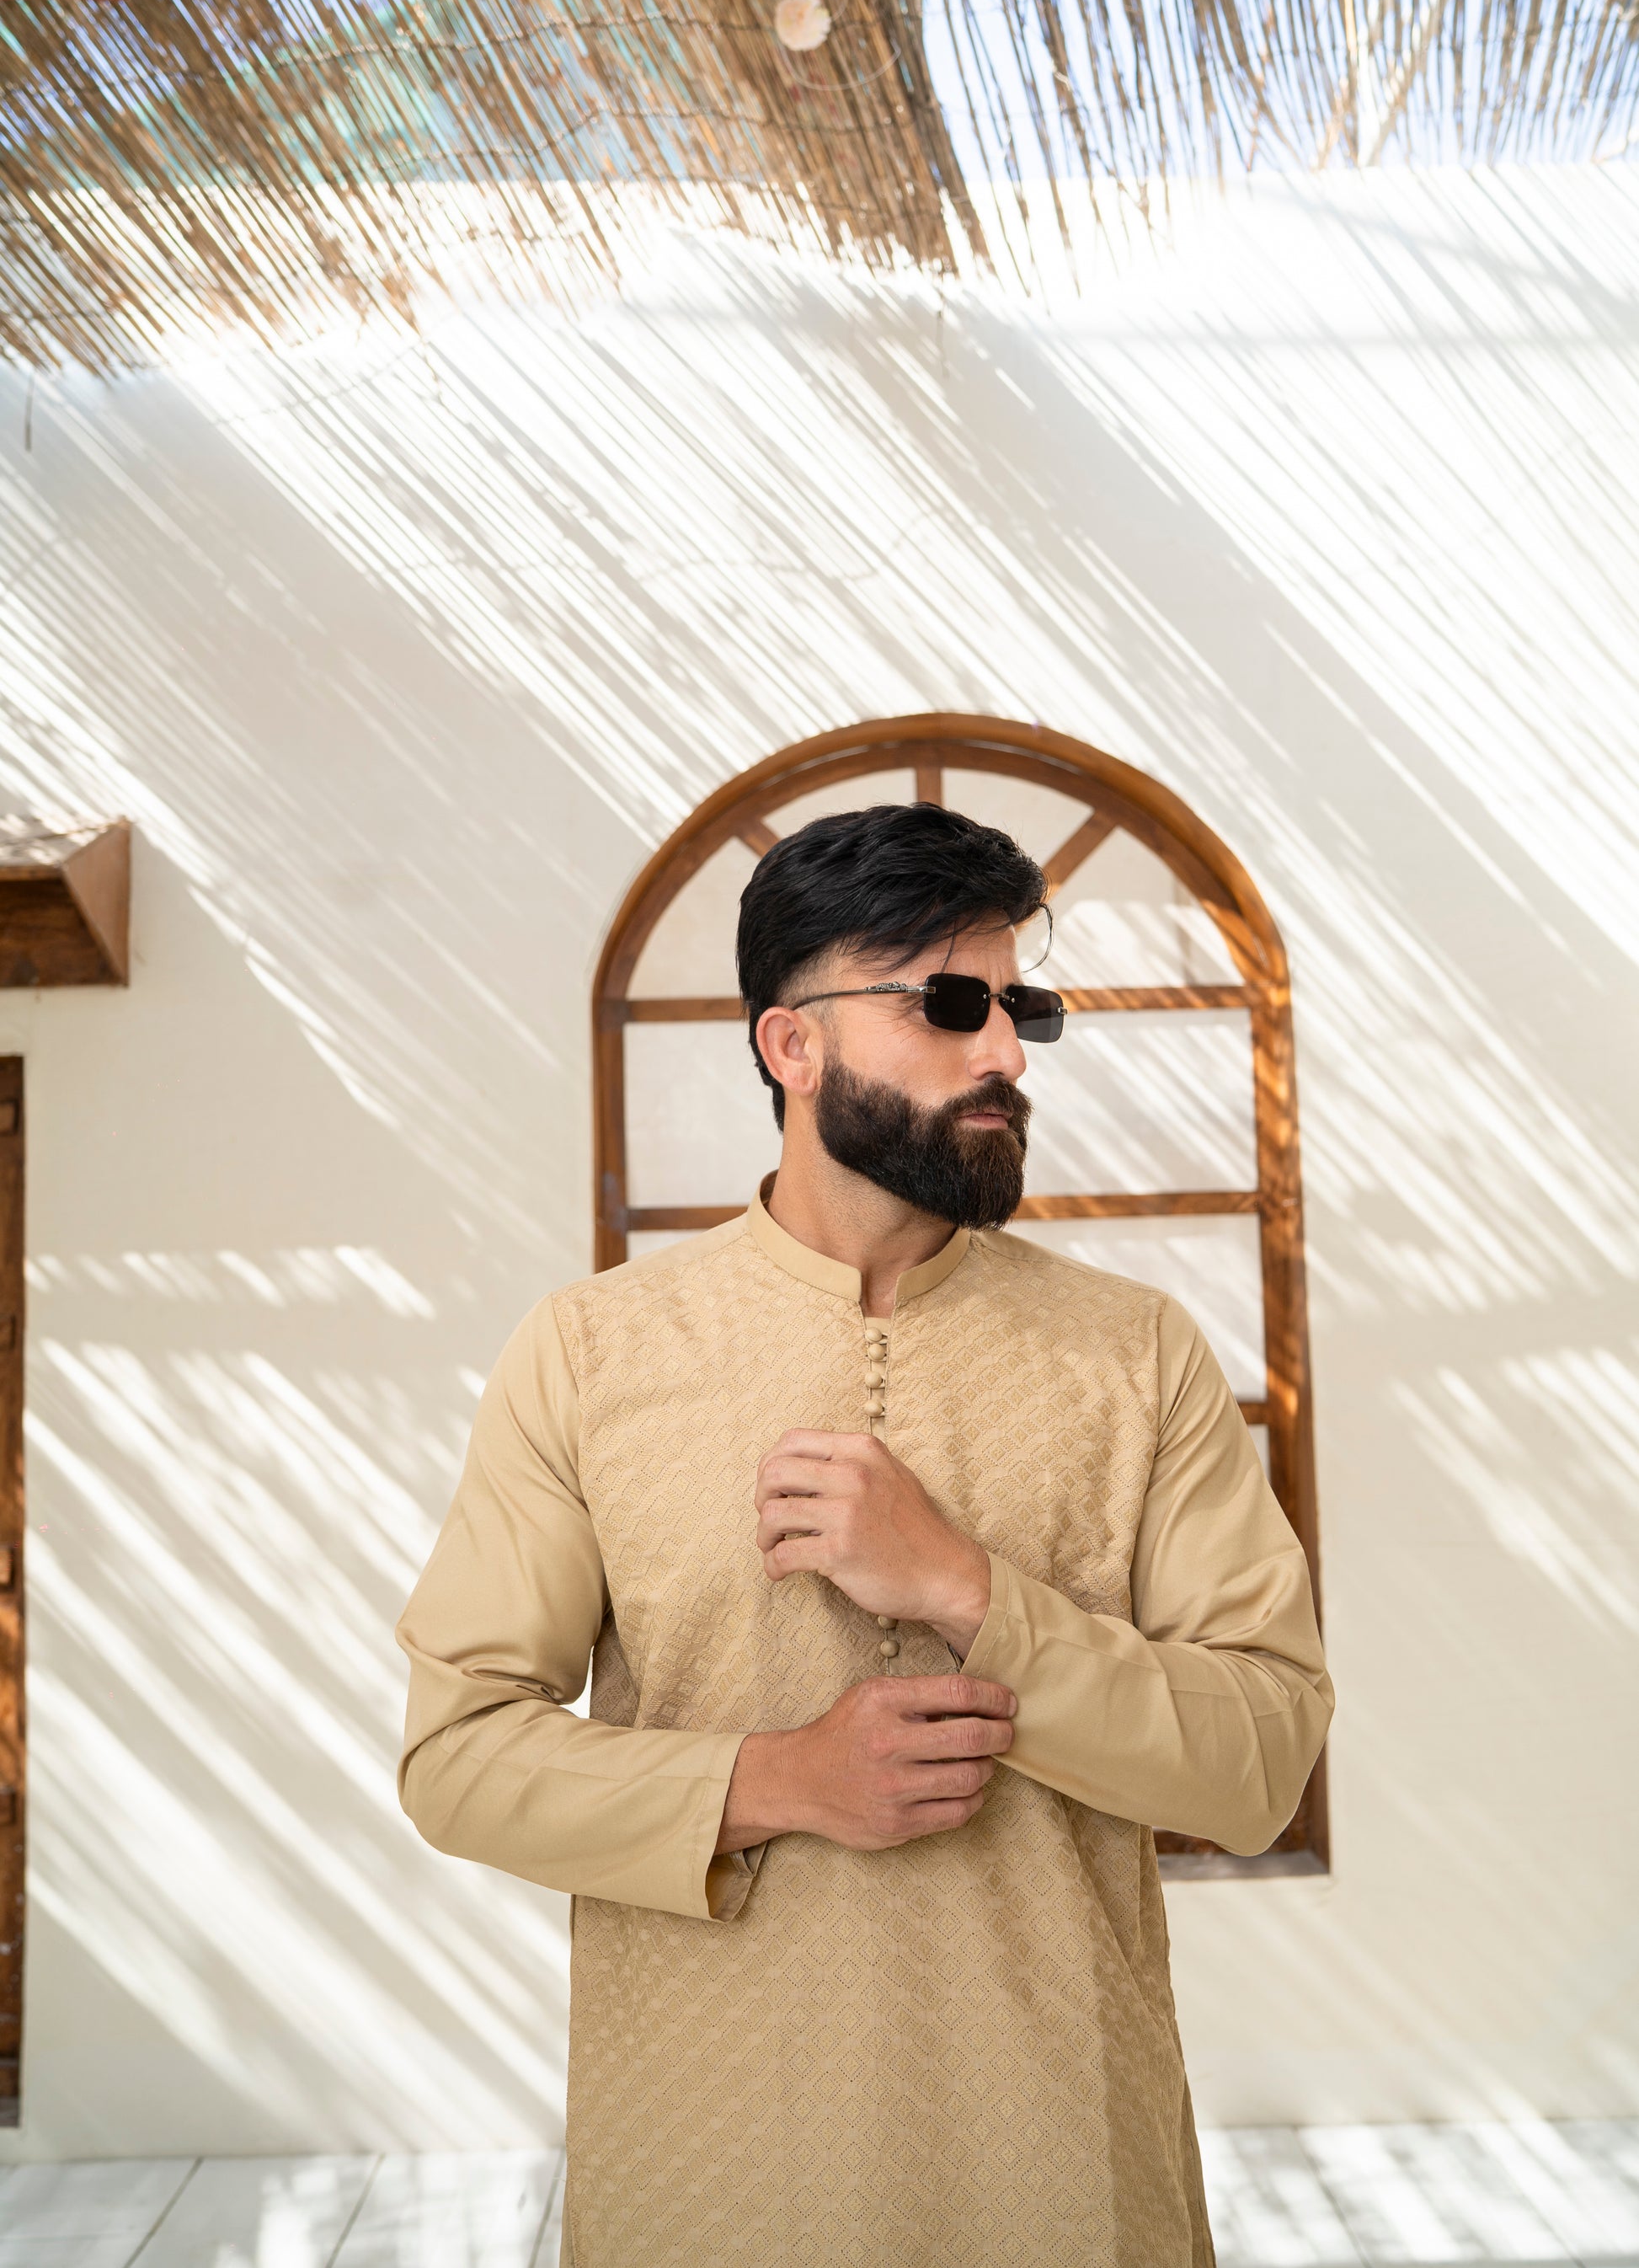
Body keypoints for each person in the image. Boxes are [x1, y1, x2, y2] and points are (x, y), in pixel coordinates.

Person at [397, 801, 1334, 2268]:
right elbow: (458, 1759)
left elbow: (1260, 1761)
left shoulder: (1131, 1354)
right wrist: (777, 1780)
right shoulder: (590, 1355)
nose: (1005, 1051)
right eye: (947, 1005)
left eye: (1019, 1007)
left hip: (1062, 2175)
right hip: (708, 2169)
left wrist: (968, 1592)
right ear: (792, 1044)